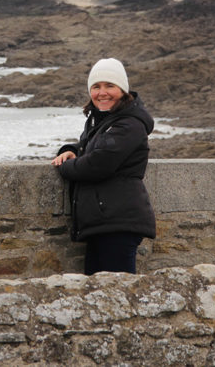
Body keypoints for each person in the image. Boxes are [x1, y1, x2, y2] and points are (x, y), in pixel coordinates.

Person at [51, 58, 156, 275]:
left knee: (119, 296)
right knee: (98, 296)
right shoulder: (102, 120)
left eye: (110, 86)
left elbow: (97, 164)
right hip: (103, 223)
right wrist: (69, 149)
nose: (102, 93)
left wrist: (65, 166)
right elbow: (91, 146)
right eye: (96, 87)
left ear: (123, 90)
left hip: (119, 224)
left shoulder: (129, 125)